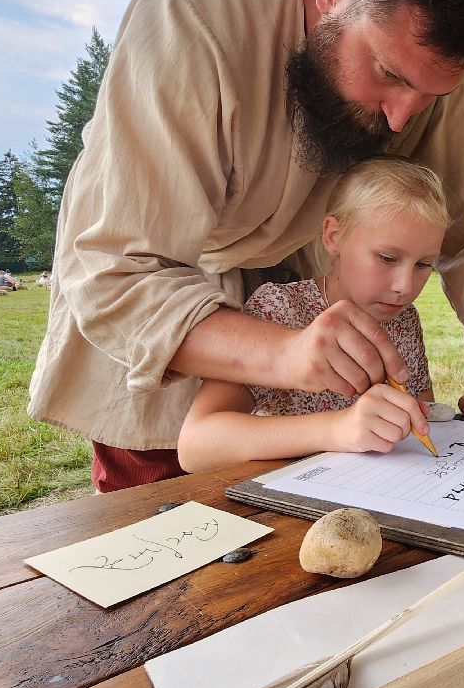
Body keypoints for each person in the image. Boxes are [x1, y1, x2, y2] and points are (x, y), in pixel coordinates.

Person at [29, 0, 464, 493]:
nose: (403, 119)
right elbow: (118, 267)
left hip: (308, 296)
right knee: (165, 529)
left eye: (429, 95)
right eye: (389, 75)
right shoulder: (190, 13)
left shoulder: (427, 52)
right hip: (170, 301)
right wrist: (285, 354)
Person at [179, 157, 442, 470]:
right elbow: (196, 445)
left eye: (424, 265)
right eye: (387, 258)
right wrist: (337, 429)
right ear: (333, 236)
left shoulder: (404, 319)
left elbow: (423, 411)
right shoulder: (281, 310)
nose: (405, 286)